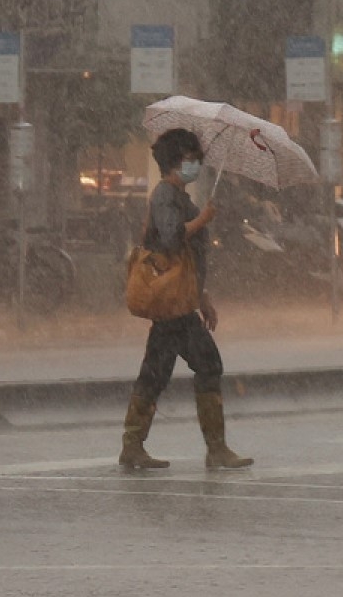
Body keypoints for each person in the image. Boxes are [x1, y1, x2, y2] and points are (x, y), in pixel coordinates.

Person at [118, 128, 254, 470]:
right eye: (192, 160)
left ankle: (133, 446)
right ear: (177, 162)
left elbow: (186, 259)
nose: (196, 166)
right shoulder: (166, 194)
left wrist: (201, 295)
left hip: (178, 300)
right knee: (206, 365)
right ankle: (215, 449)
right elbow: (172, 239)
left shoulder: (178, 195)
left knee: (156, 372)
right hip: (172, 304)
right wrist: (202, 220)